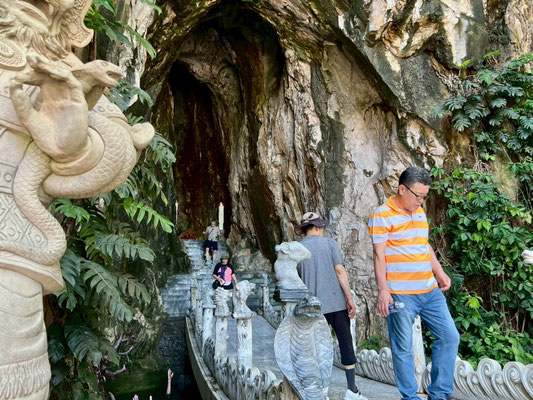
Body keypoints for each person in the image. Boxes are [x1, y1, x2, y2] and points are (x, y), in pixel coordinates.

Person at [368, 166, 460, 400]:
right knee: (403, 347)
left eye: (424, 196)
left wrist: (439, 272)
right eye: (418, 195)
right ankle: (409, 396)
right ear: (402, 189)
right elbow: (379, 255)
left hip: (429, 290)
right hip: (401, 294)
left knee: (449, 336)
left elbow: (424, 245)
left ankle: (439, 394)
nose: (421, 201)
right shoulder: (381, 215)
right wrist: (383, 291)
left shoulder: (419, 213)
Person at [296, 212, 368, 400]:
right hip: (336, 303)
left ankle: (320, 392)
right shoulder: (330, 244)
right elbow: (339, 270)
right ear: (317, 228)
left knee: (314, 348)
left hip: (311, 307)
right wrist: (349, 298)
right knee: (345, 343)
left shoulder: (296, 249)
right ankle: (351, 390)